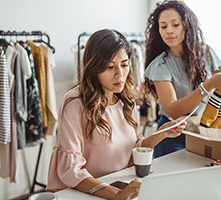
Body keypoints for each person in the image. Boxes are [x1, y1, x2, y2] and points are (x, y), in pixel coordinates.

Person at [46, 29, 186, 200]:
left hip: (117, 185)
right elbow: (70, 170)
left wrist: (162, 133)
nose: (120, 74)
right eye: (110, 67)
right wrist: (116, 194)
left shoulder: (126, 100)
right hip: (82, 193)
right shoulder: (75, 103)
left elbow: (133, 148)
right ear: (94, 67)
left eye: (125, 64)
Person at [144, 0, 221, 158]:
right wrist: (207, 85)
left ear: (187, 25)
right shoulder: (159, 65)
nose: (169, 31)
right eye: (163, 26)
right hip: (172, 134)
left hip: (205, 129)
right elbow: (173, 110)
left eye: (175, 24)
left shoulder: (206, 52)